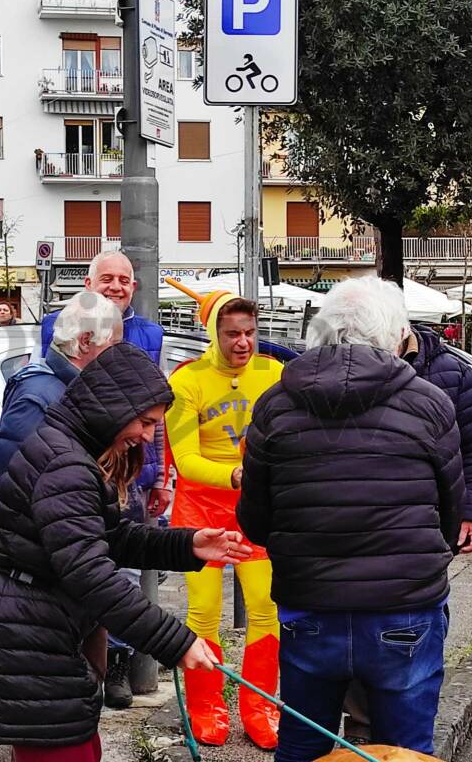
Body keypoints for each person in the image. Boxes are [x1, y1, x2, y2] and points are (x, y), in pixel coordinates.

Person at [0, 342, 252, 762]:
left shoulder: (73, 452)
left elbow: (107, 538)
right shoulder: (66, 466)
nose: (147, 436)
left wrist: (188, 545)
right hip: (25, 637)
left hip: (37, 629)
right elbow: (91, 572)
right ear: (112, 408)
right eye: (144, 422)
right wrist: (176, 643)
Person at [237, 276, 464, 762]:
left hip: (310, 603)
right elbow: (450, 515)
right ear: (392, 335)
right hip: (405, 607)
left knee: (303, 745)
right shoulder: (429, 404)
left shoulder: (274, 405)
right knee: (406, 751)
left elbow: (255, 521)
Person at [41, 251, 171, 709]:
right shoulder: (58, 328)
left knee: (128, 565)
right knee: (88, 563)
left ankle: (115, 664)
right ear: (88, 282)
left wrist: (159, 475)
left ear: (134, 287)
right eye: (107, 279)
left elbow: (156, 412)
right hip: (84, 462)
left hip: (132, 467)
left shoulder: (149, 333)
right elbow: (61, 399)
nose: (116, 286)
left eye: (124, 280)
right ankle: (83, 660)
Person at [343, 317, 472, 744]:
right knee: (361, 635)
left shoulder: (451, 371)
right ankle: (367, 736)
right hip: (355, 531)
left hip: (425, 532)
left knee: (416, 633)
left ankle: (405, 734)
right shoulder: (350, 367)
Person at [164, 289, 284, 749]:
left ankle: (260, 706)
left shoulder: (275, 374)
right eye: (233, 333)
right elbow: (186, 458)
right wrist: (239, 474)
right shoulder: (185, 381)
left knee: (265, 607)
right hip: (200, 511)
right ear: (212, 333)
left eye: (250, 332)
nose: (243, 342)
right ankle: (205, 706)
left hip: (254, 511)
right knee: (203, 612)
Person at [0, 291, 123, 542]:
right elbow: (0, 488)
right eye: (113, 345)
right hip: (31, 556)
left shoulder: (68, 389)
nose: (117, 356)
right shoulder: (39, 399)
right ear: (86, 341)